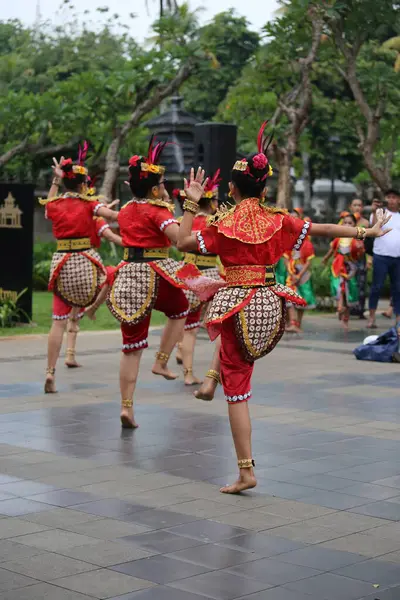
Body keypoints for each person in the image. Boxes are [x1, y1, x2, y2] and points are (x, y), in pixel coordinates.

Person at [177, 121, 390, 494]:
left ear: (231, 188)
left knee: (237, 387)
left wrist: (191, 203)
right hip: (270, 306)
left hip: (236, 304)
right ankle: (211, 381)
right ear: (264, 187)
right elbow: (321, 228)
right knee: (233, 353)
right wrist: (365, 233)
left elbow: (182, 241)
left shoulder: (222, 222)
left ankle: (246, 470)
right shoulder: (278, 219)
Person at [106, 139, 190, 429]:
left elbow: (116, 218)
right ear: (155, 189)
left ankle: (126, 407)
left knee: (130, 346)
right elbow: (179, 240)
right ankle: (162, 360)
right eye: (163, 183)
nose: (166, 187)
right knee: (181, 308)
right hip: (156, 273)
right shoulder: (158, 211)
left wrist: (102, 212)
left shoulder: (128, 209)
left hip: (129, 275)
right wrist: (189, 208)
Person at [39, 151, 119, 393]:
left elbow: (47, 205)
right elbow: (111, 216)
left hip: (62, 265)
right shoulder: (89, 204)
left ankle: (50, 372)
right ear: (84, 185)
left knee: (57, 322)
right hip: (86, 265)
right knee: (113, 274)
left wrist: (55, 180)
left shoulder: (56, 204)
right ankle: (91, 310)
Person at [173, 171, 223, 386]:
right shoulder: (217, 223)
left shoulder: (185, 220)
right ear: (211, 202)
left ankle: (188, 373)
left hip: (189, 275)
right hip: (211, 274)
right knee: (222, 324)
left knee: (190, 328)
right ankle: (217, 372)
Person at [322, 212, 365, 330]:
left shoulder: (357, 240)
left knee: (348, 293)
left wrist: (360, 249)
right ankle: (339, 307)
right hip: (338, 266)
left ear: (355, 225)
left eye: (350, 223)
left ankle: (345, 317)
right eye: (345, 222)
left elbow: (360, 255)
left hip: (350, 268)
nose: (347, 225)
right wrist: (325, 259)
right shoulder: (338, 239)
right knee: (339, 288)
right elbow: (332, 250)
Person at [368, 190, 400, 329]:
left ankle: (398, 319)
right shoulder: (380, 213)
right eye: (389, 197)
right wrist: (375, 211)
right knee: (377, 287)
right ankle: (371, 318)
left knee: (398, 289)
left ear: (398, 200)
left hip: (397, 257)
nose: (391, 200)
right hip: (381, 256)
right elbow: (372, 228)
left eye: (394, 197)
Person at [285, 212, 316, 333]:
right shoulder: (287, 240)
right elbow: (286, 259)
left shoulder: (307, 243)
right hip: (291, 275)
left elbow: (308, 263)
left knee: (302, 299)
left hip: (303, 275)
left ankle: (298, 323)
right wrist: (292, 274)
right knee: (290, 297)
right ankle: (293, 322)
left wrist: (299, 275)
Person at [350, 198, 369, 318]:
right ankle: (348, 307)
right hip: (348, 259)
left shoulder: (366, 223)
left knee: (361, 283)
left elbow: (368, 242)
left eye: (359, 205)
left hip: (361, 257)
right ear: (350, 207)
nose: (357, 207)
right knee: (349, 282)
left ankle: (360, 309)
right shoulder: (345, 222)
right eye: (355, 205)